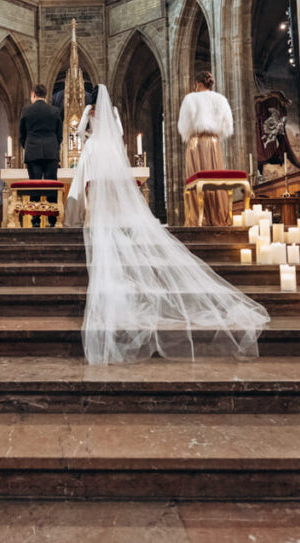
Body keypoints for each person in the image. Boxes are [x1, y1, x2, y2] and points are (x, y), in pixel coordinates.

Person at [82, 85, 268, 364]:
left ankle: (200, 216)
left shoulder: (95, 117)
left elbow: (82, 131)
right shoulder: (113, 121)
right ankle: (220, 216)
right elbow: (119, 132)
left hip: (100, 151)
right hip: (206, 144)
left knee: (97, 190)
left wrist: (86, 116)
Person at [178, 71, 234, 226]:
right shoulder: (220, 99)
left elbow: (184, 126)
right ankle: (218, 217)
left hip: (196, 142)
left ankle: (198, 219)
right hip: (213, 144)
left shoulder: (190, 99)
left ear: (197, 83)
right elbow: (227, 126)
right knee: (215, 179)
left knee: (196, 181)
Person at [65, 92, 122, 227]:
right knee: (108, 182)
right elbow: (120, 132)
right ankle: (110, 215)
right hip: (109, 149)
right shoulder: (113, 110)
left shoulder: (89, 109)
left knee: (89, 180)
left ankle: (88, 215)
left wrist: (87, 139)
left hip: (93, 147)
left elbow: (79, 131)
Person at [18, 84, 62, 227]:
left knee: (35, 185)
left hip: (33, 152)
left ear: (33, 95)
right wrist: (53, 147)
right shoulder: (55, 111)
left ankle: (35, 220)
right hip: (51, 152)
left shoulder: (26, 111)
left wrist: (29, 146)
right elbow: (59, 135)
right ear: (46, 95)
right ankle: (52, 220)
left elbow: (21, 135)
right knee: (51, 185)